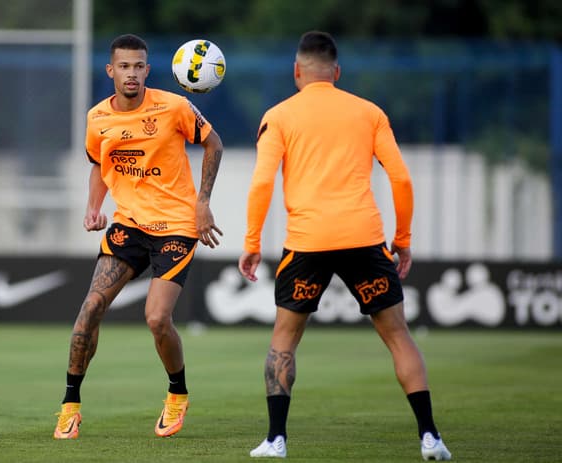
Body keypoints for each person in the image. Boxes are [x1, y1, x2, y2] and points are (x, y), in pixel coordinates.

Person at [238, 31, 451, 460]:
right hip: (364, 239)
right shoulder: (368, 112)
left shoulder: (279, 115)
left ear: (297, 71)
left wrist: (252, 242)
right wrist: (403, 240)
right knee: (398, 336)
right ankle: (430, 437)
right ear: (337, 72)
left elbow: (262, 181)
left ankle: (276, 440)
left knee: (284, 340)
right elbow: (401, 178)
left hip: (307, 242)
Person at [53, 34, 224, 440]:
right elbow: (99, 164)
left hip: (177, 226)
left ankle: (177, 393)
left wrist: (202, 203)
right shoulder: (97, 118)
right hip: (128, 224)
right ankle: (70, 405)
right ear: (111, 70)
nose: (132, 73)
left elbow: (213, 143)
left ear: (148, 70)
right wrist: (94, 207)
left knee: (156, 318)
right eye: (124, 66)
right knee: (89, 309)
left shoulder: (173, 106)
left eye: (139, 66)